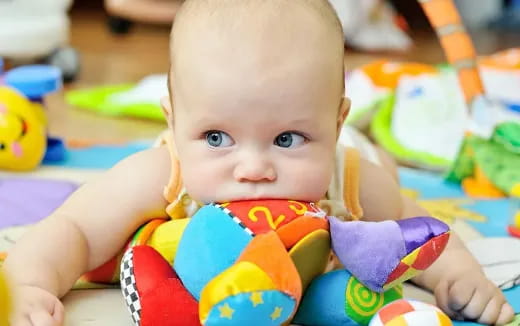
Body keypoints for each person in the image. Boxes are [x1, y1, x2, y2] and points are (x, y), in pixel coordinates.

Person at [3, 0, 514, 325]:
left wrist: (460, 277)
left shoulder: (347, 175)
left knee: (390, 171)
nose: (253, 168)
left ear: (334, 125)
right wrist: (31, 283)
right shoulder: (163, 175)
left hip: (355, 154)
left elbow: (420, 234)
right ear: (174, 121)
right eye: (216, 136)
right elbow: (74, 229)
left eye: (287, 138)